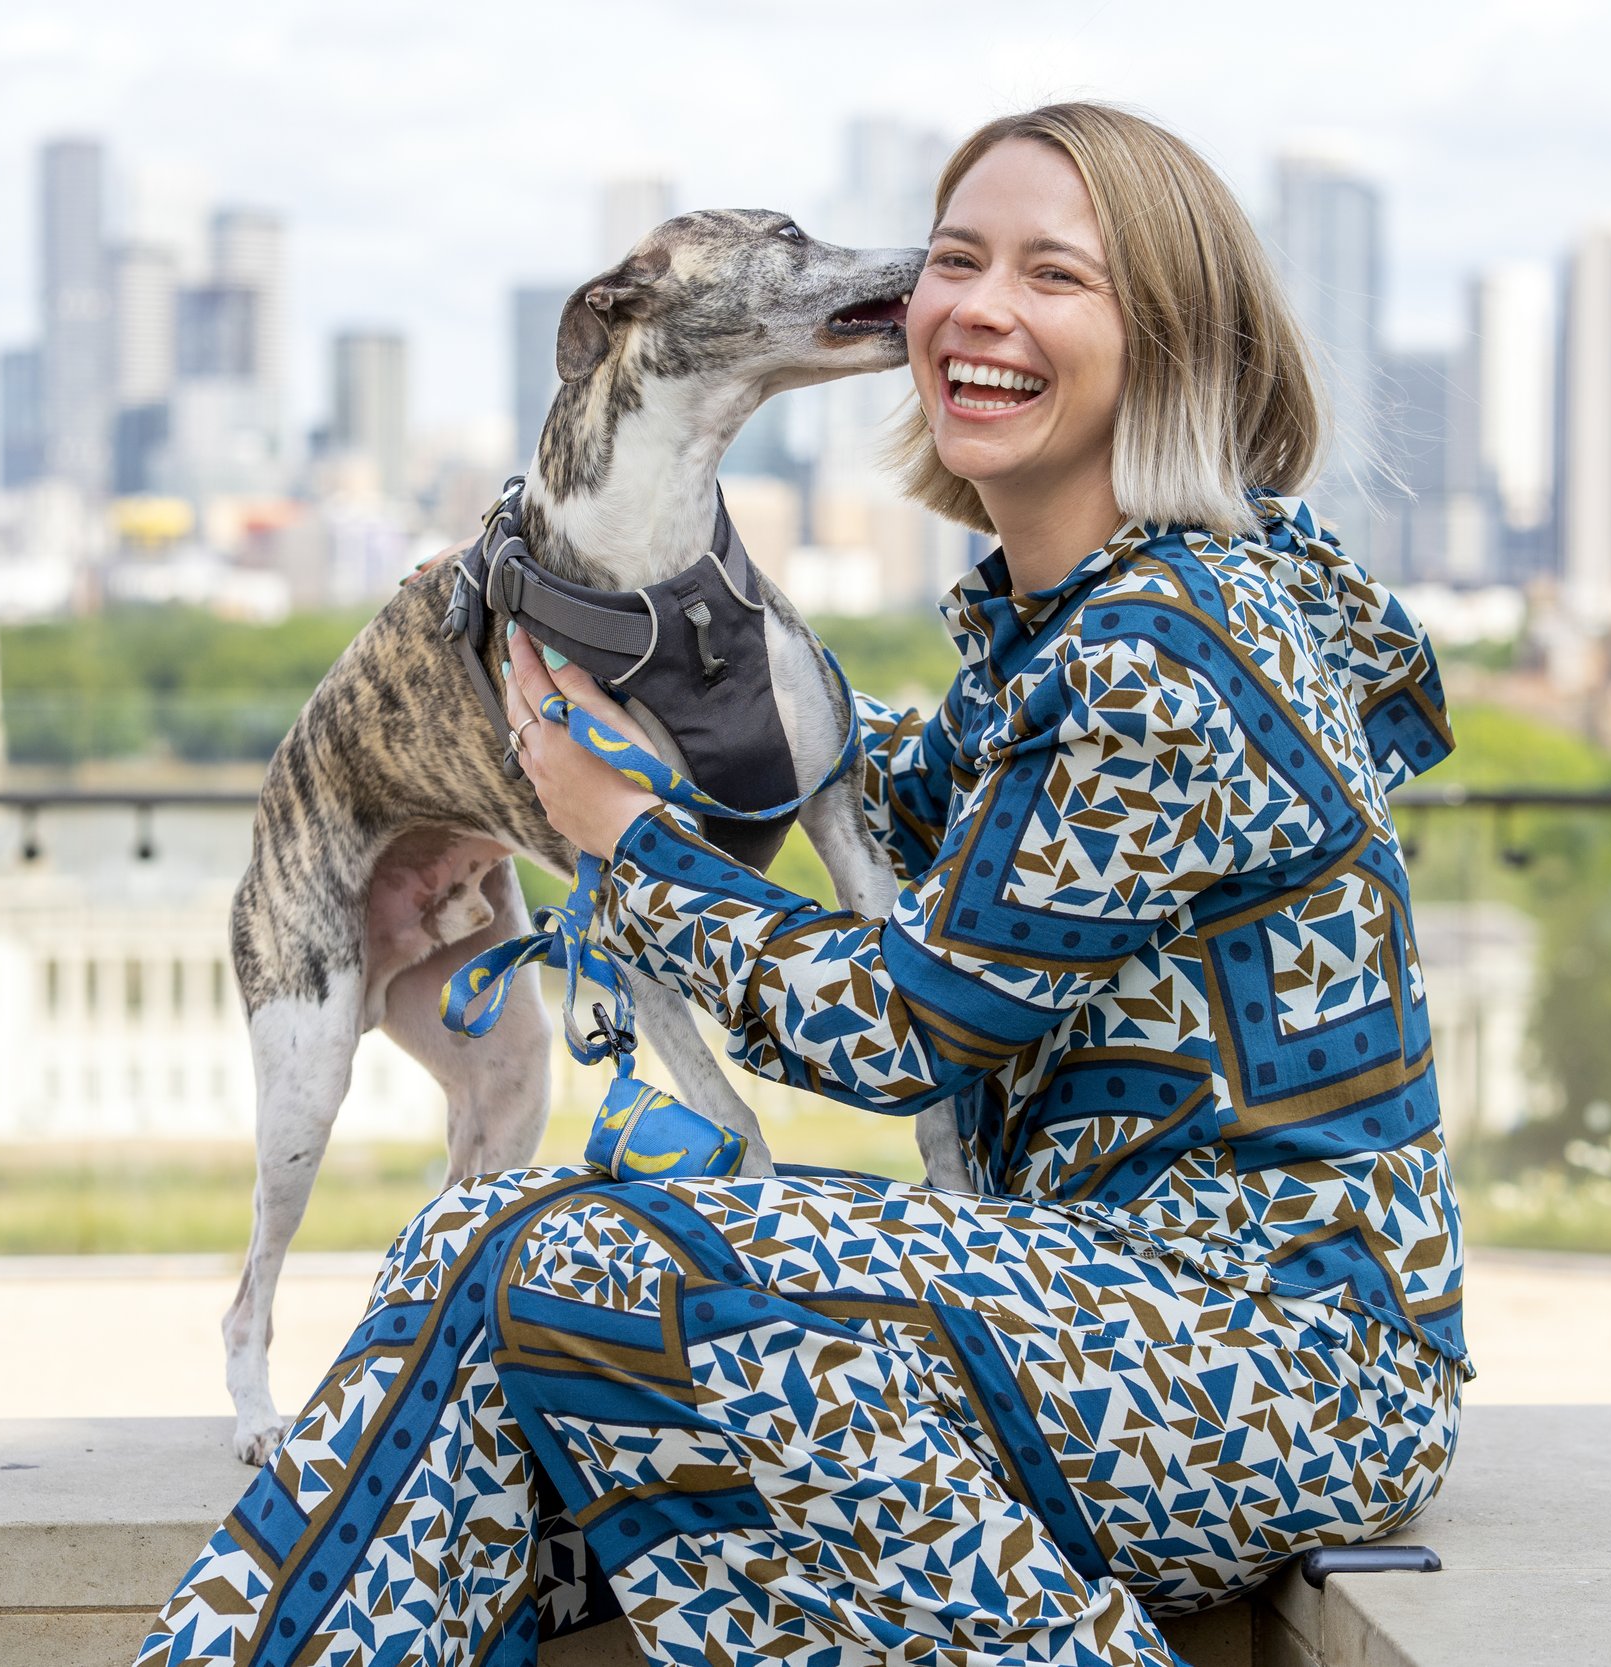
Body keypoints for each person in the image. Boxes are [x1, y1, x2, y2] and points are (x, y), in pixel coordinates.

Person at [141, 101, 1467, 1667]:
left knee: (573, 1263)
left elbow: (913, 1027)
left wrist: (625, 838)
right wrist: (615, 654)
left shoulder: (1168, 650)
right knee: (477, 1253)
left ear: (1174, 339)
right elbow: (910, 800)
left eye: (1054, 275)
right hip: (1082, 1304)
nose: (977, 306)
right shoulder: (1085, 622)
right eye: (956, 260)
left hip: (1270, 1362)